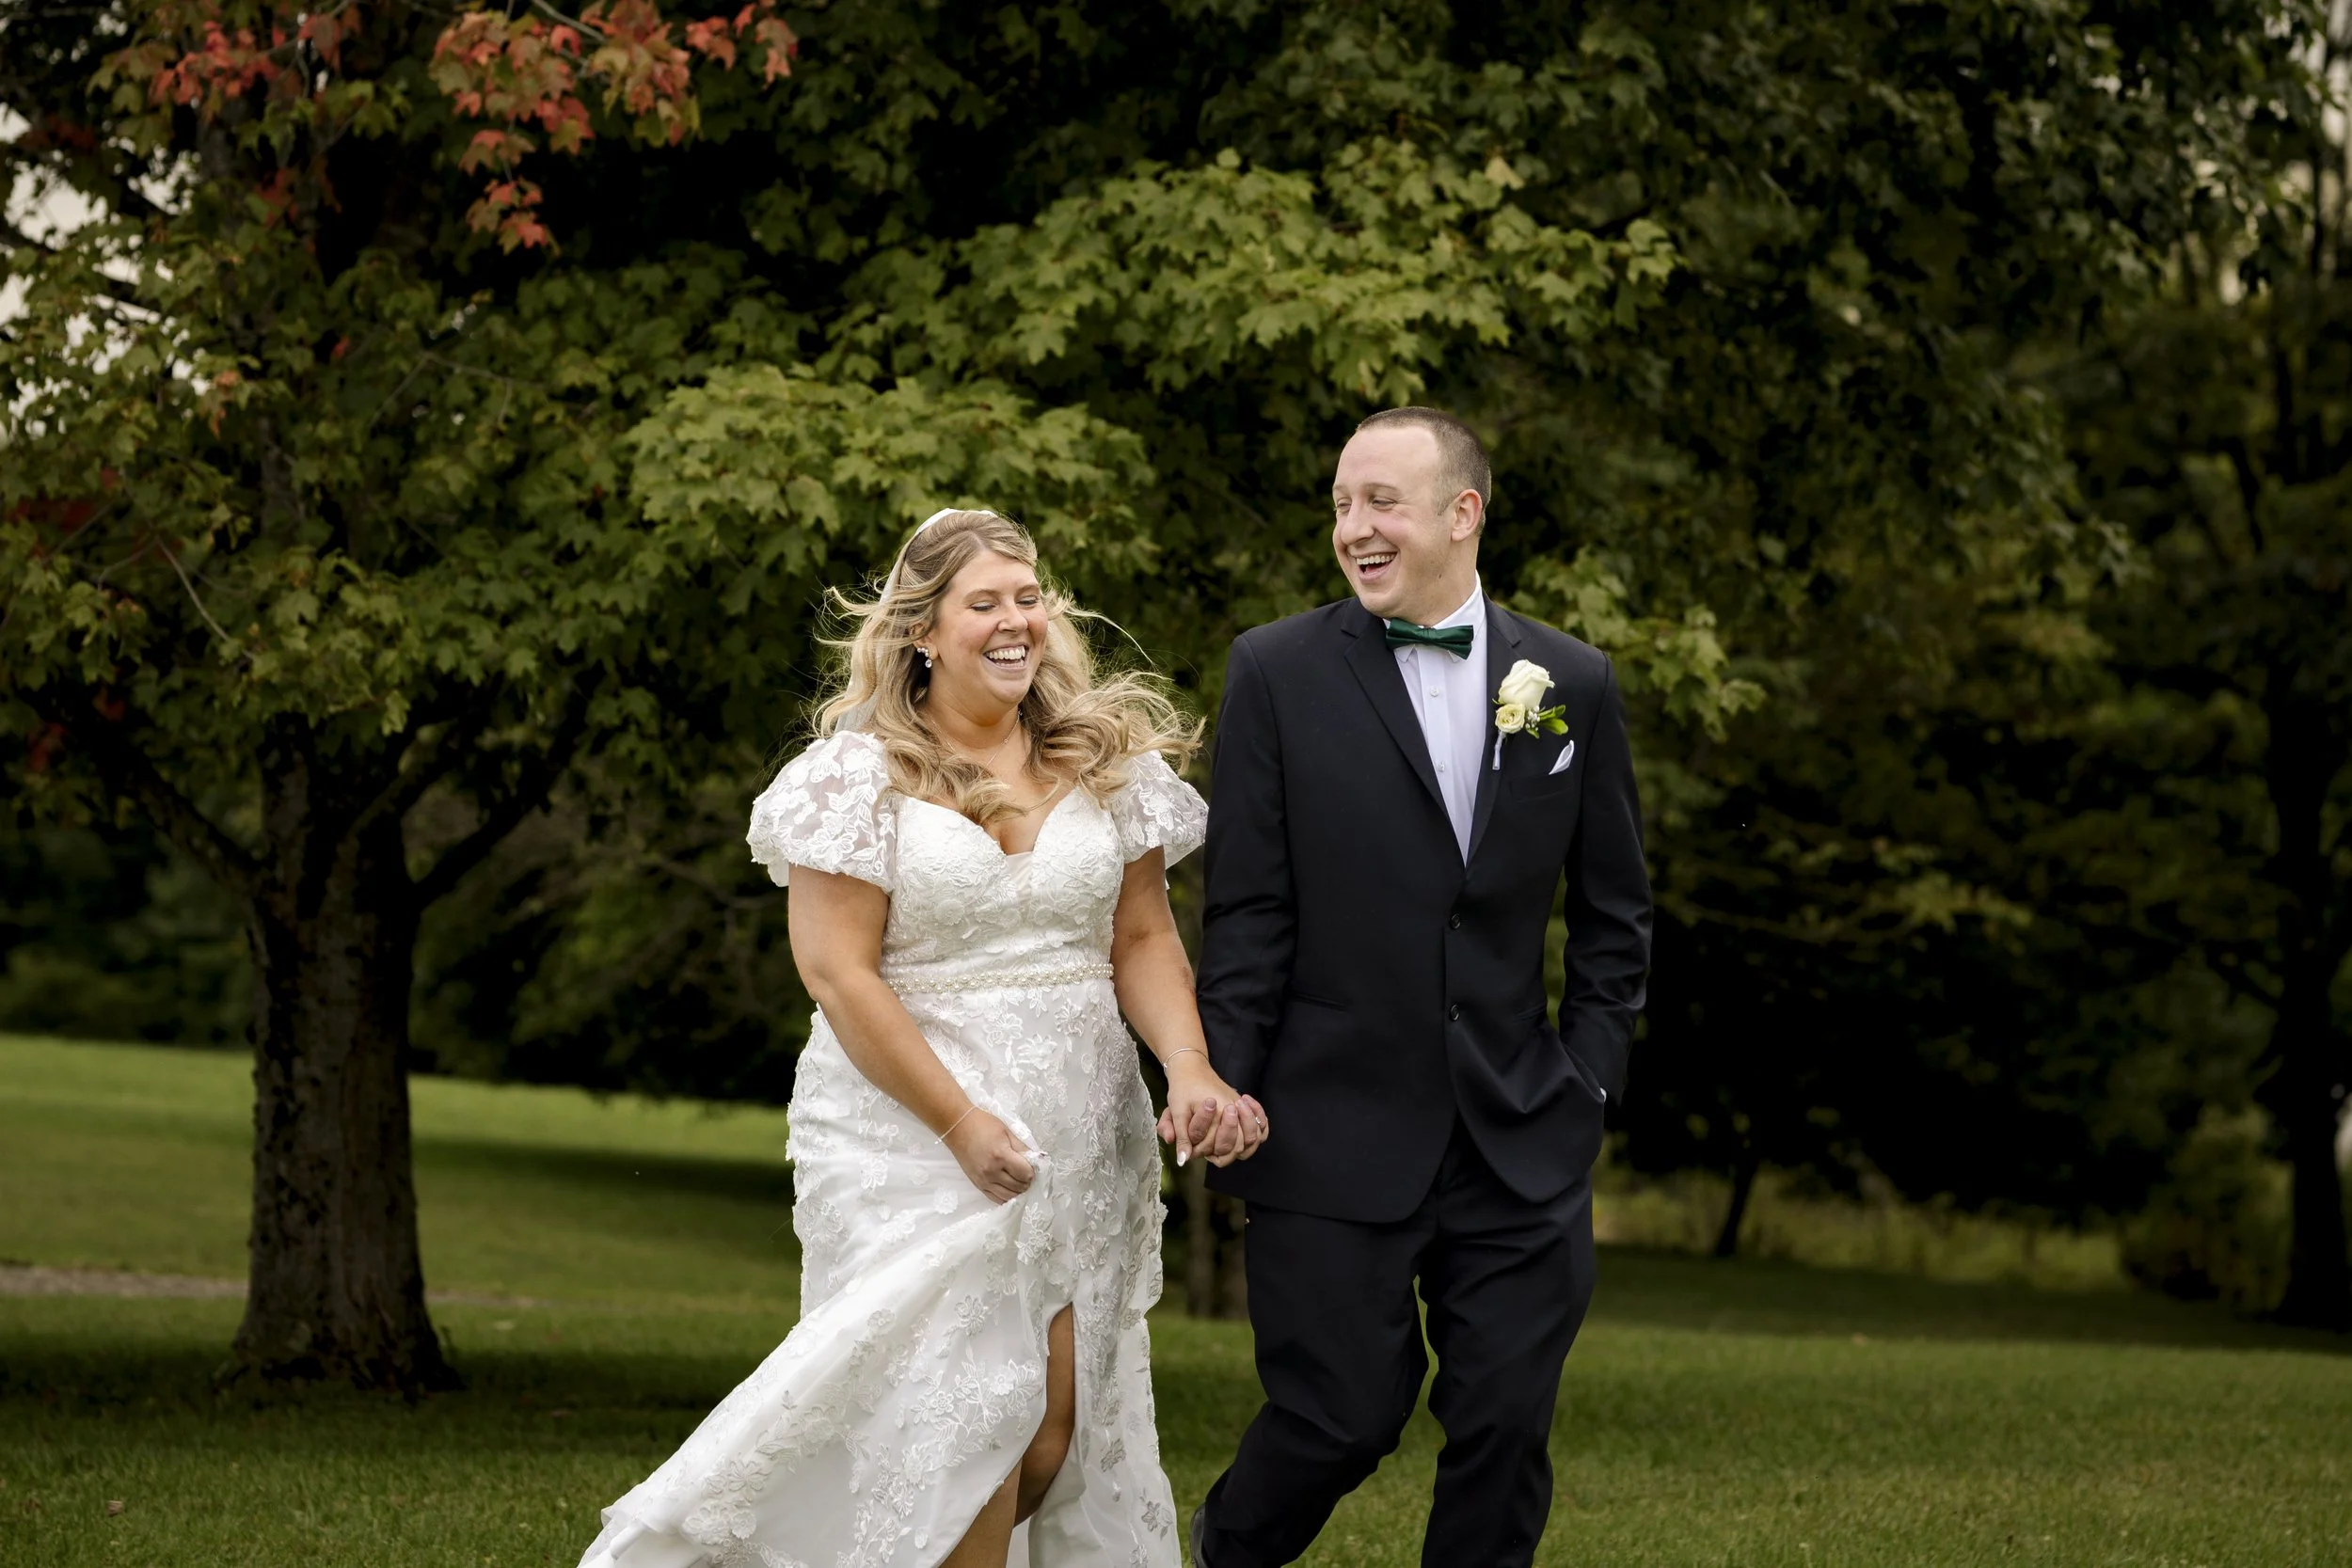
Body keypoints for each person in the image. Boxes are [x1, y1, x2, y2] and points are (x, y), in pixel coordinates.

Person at [579, 508, 1267, 1568]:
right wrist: (954, 1119)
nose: (1014, 622)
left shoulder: (1105, 761)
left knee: (1049, 1435)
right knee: (965, 1425)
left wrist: (1188, 1063)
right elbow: (836, 971)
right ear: (921, 633)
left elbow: (1141, 935)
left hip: (1079, 1125)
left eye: (1028, 597)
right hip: (908, 1128)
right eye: (983, 602)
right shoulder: (854, 779)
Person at [1188, 408, 1653, 1568]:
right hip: (1327, 1116)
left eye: (1381, 501)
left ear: (1462, 513)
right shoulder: (1276, 671)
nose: (1354, 527)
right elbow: (1246, 911)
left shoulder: (1569, 682)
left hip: (1518, 1129)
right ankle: (1223, 1551)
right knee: (1339, 1416)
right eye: (1343, 503)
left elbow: (1614, 910)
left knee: (1503, 1423)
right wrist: (1219, 1082)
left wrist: (1587, 1077)